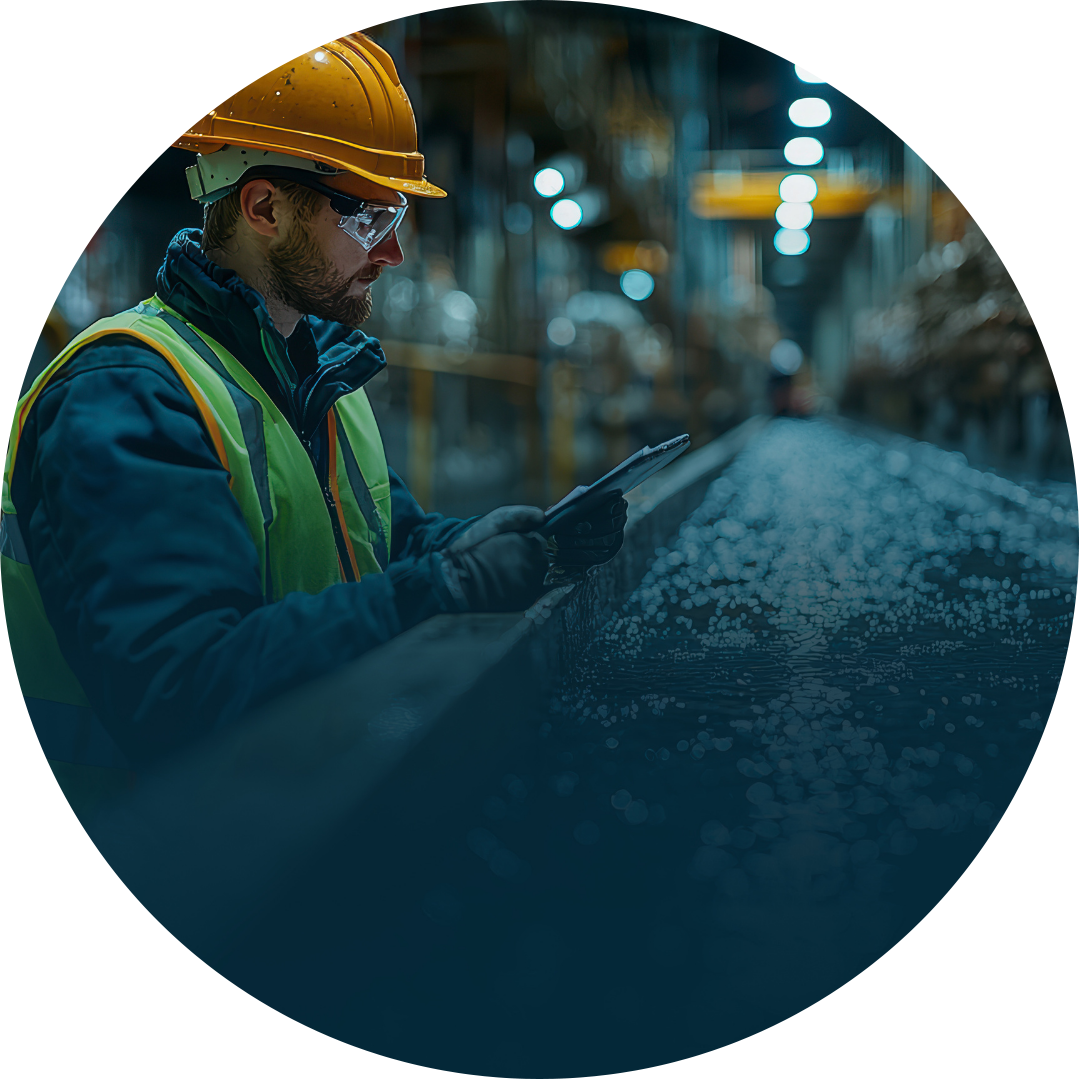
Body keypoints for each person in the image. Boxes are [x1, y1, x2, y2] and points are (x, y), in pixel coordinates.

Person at [0, 19, 626, 847]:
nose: (394, 252)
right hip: (124, 891)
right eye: (370, 219)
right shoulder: (125, 395)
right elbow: (186, 689)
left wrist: (506, 543)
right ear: (264, 206)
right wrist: (439, 591)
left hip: (270, 837)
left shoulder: (313, 376)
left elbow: (383, 544)